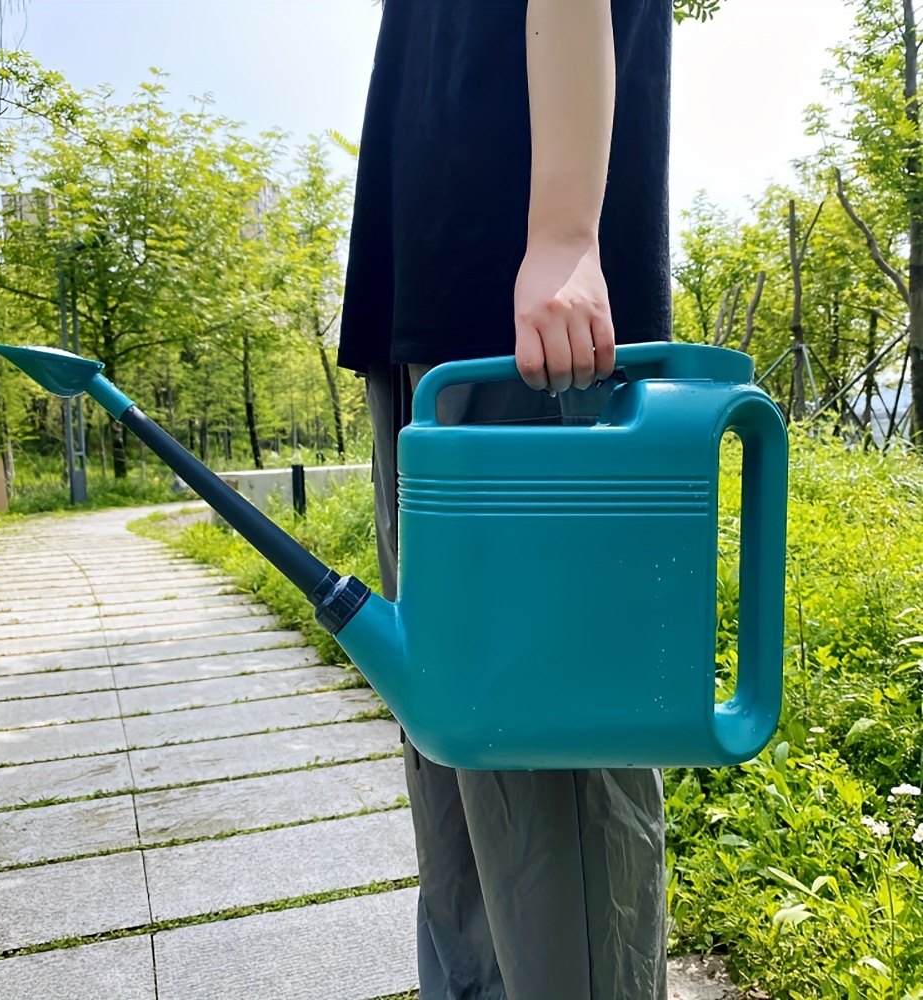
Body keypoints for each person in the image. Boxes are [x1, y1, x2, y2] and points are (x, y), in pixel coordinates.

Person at [338, 1, 673, 996]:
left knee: (549, 776)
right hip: (422, 303)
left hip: (526, 316)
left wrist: (565, 230)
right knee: (451, 749)